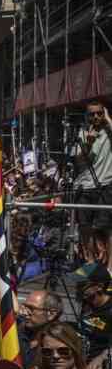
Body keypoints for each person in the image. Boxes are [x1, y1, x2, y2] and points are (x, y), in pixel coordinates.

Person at [74, 102, 112, 258]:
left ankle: (110, 269)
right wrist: (88, 144)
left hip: (105, 185)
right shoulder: (82, 133)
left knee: (107, 228)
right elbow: (79, 161)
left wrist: (109, 120)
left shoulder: (109, 132)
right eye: (92, 114)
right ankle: (90, 262)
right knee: (85, 227)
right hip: (84, 186)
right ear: (86, 116)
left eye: (99, 113)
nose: (96, 117)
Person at [18, 289, 62, 369]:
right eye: (24, 306)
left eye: (31, 308)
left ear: (51, 314)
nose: (24, 312)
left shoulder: (61, 343)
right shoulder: (17, 334)